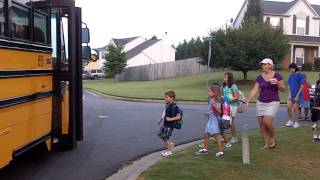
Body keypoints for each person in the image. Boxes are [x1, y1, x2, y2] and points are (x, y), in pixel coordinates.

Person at [246, 58, 285, 149]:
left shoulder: (277, 76)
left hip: (273, 102)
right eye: (262, 64)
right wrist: (248, 100)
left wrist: (277, 84)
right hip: (261, 102)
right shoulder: (260, 77)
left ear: (270, 65)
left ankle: (273, 137)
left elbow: (283, 89)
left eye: (264, 64)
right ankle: (266, 144)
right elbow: (255, 90)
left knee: (267, 122)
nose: (263, 66)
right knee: (262, 125)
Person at [196, 85, 224, 157]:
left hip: (215, 120)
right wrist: (208, 113)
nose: (208, 92)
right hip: (211, 119)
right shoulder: (211, 100)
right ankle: (205, 149)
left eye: (209, 91)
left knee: (216, 135)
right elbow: (211, 110)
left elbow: (220, 112)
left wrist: (214, 106)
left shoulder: (216, 101)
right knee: (206, 134)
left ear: (215, 93)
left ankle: (221, 151)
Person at [158, 91, 182, 157]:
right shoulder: (167, 105)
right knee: (161, 135)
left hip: (169, 125)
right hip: (165, 124)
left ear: (172, 98)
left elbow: (179, 116)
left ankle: (169, 151)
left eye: (167, 97)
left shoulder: (175, 107)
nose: (165, 98)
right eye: (165, 97)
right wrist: (160, 119)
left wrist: (170, 119)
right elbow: (164, 113)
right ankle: (170, 145)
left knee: (166, 137)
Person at [222, 72, 239, 144]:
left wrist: (230, 99)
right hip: (225, 105)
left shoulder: (233, 86)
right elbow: (224, 95)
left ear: (230, 78)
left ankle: (234, 137)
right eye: (224, 77)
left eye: (226, 77)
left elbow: (236, 96)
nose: (225, 79)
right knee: (225, 121)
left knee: (231, 122)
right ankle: (224, 137)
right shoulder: (224, 86)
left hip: (232, 106)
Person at [286, 63, 304, 128]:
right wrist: (289, 94)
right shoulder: (290, 76)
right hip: (291, 95)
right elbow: (288, 85)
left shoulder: (301, 75)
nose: (290, 70)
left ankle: (297, 123)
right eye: (289, 69)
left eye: (291, 69)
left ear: (294, 68)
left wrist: (297, 95)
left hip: (298, 95)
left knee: (296, 109)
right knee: (288, 107)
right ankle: (290, 121)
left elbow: (301, 86)